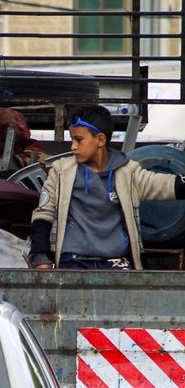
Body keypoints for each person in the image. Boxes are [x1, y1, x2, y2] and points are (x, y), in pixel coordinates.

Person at [29, 104, 185, 270]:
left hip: (117, 262)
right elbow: (43, 214)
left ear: (101, 140)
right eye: (72, 139)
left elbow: (164, 185)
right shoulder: (61, 172)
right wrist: (40, 257)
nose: (73, 146)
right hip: (72, 261)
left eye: (79, 140)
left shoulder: (128, 173)